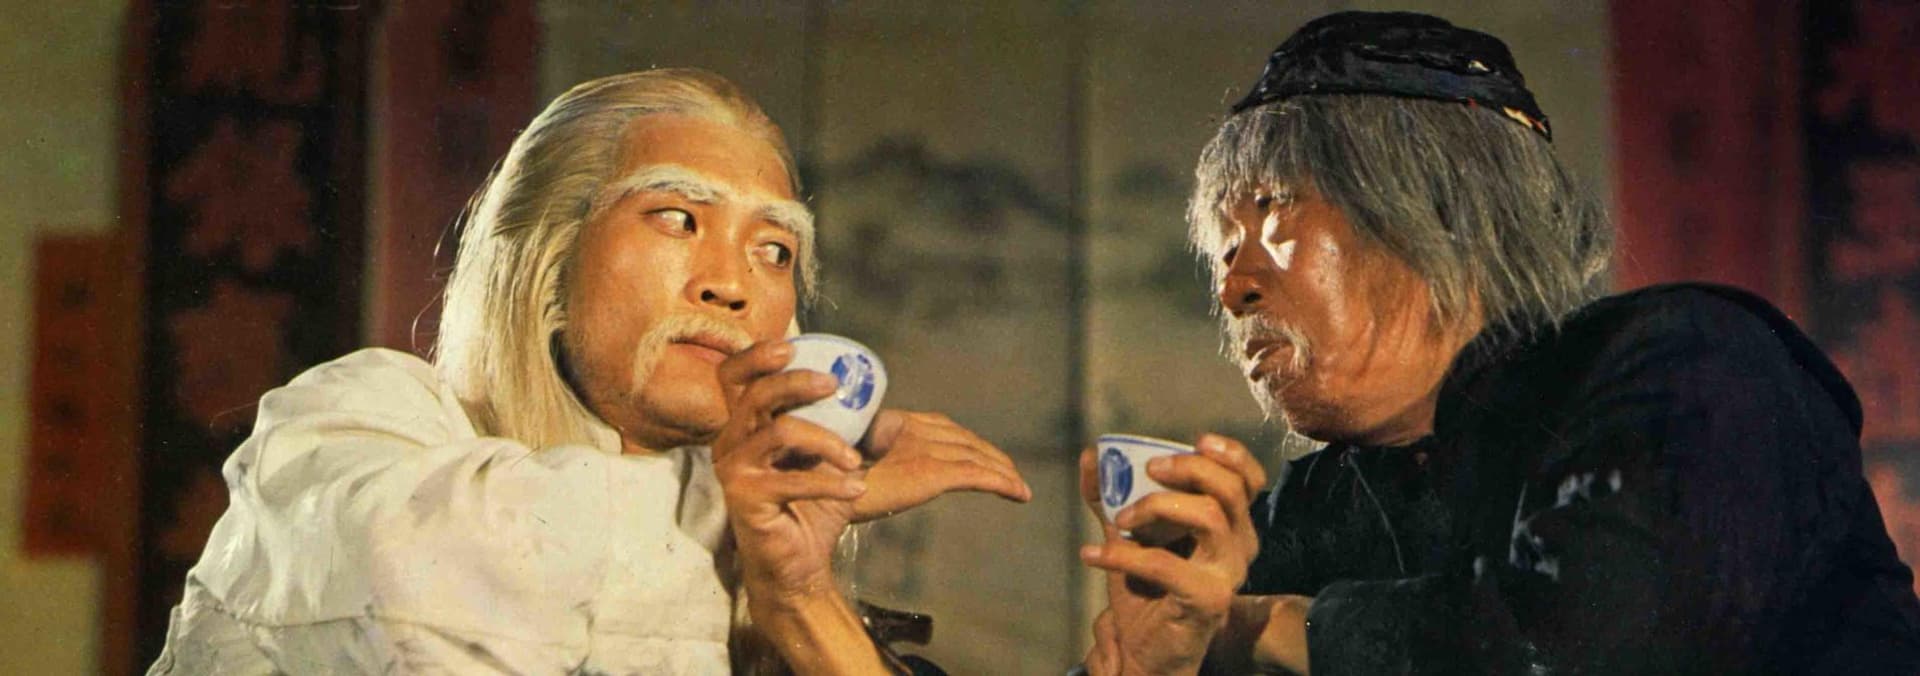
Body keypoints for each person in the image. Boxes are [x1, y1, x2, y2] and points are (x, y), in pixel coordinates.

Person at [1078, 11, 1920, 674]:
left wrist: (1253, 629)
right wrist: (1161, 659)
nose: (1233, 288)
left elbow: (1592, 645)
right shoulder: (1310, 507)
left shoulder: (1694, 366)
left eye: (1272, 215)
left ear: (1437, 212)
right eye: (1225, 247)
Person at [148, 68, 1030, 674]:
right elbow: (411, 588)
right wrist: (733, 510)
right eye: (678, 219)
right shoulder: (366, 422)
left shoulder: (777, 576)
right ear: (549, 258)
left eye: (774, 250)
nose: (731, 283)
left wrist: (801, 598)